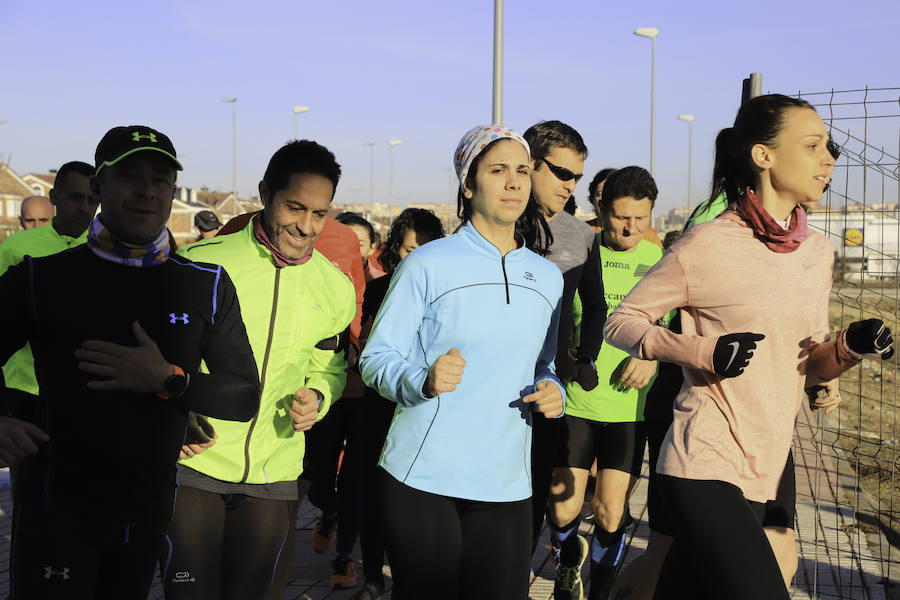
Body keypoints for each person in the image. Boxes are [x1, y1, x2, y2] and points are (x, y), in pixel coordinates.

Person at [603, 94, 893, 599]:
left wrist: (850, 346)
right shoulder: (708, 244)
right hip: (704, 461)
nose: (829, 158)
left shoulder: (818, 251)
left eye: (830, 146)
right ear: (764, 155)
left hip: (767, 461)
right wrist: (701, 352)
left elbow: (812, 364)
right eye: (813, 145)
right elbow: (621, 322)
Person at [0, 124, 260, 599]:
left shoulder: (206, 283)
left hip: (147, 512)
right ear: (98, 187)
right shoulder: (41, 278)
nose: (147, 191)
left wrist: (167, 381)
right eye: (130, 177)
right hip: (55, 512)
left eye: (161, 180)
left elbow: (244, 395)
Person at [359, 125, 565, 600]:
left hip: (506, 481)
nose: (514, 182)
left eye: (521, 170)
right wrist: (421, 379)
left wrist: (553, 389)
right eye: (498, 170)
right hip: (423, 474)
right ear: (468, 185)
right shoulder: (428, 263)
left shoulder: (548, 277)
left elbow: (544, 364)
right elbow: (376, 357)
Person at [163, 140, 356, 600]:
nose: (306, 226)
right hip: (195, 469)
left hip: (275, 475)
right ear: (265, 193)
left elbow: (327, 368)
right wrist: (174, 417)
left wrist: (319, 397)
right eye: (294, 207)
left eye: (319, 213)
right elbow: (163, 362)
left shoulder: (335, 287)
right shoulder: (201, 264)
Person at [549, 166, 664, 600]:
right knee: (563, 507)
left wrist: (653, 360)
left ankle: (598, 594)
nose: (631, 227)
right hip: (577, 401)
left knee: (611, 511)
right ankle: (564, 563)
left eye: (641, 216)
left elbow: (676, 330)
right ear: (601, 209)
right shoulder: (582, 251)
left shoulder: (661, 261)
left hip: (629, 412)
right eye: (620, 217)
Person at [349, 208, 445, 600]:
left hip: (424, 410)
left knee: (416, 505)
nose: (417, 257)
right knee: (370, 494)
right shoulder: (378, 289)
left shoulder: (446, 294)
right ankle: (372, 576)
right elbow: (363, 348)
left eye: (426, 248)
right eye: (408, 250)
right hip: (378, 406)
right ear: (393, 251)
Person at [521, 121, 606, 562]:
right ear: (528, 164)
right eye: (562, 173)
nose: (572, 185)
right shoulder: (493, 224)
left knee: (533, 500)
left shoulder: (581, 234)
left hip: (547, 388)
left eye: (578, 176)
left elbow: (596, 305)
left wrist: (586, 356)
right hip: (485, 383)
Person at [0, 161, 98, 409]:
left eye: (92, 199)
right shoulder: (16, 247)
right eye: (76, 198)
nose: (84, 208)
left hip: (88, 393)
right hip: (23, 390)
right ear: (54, 197)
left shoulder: (110, 250)